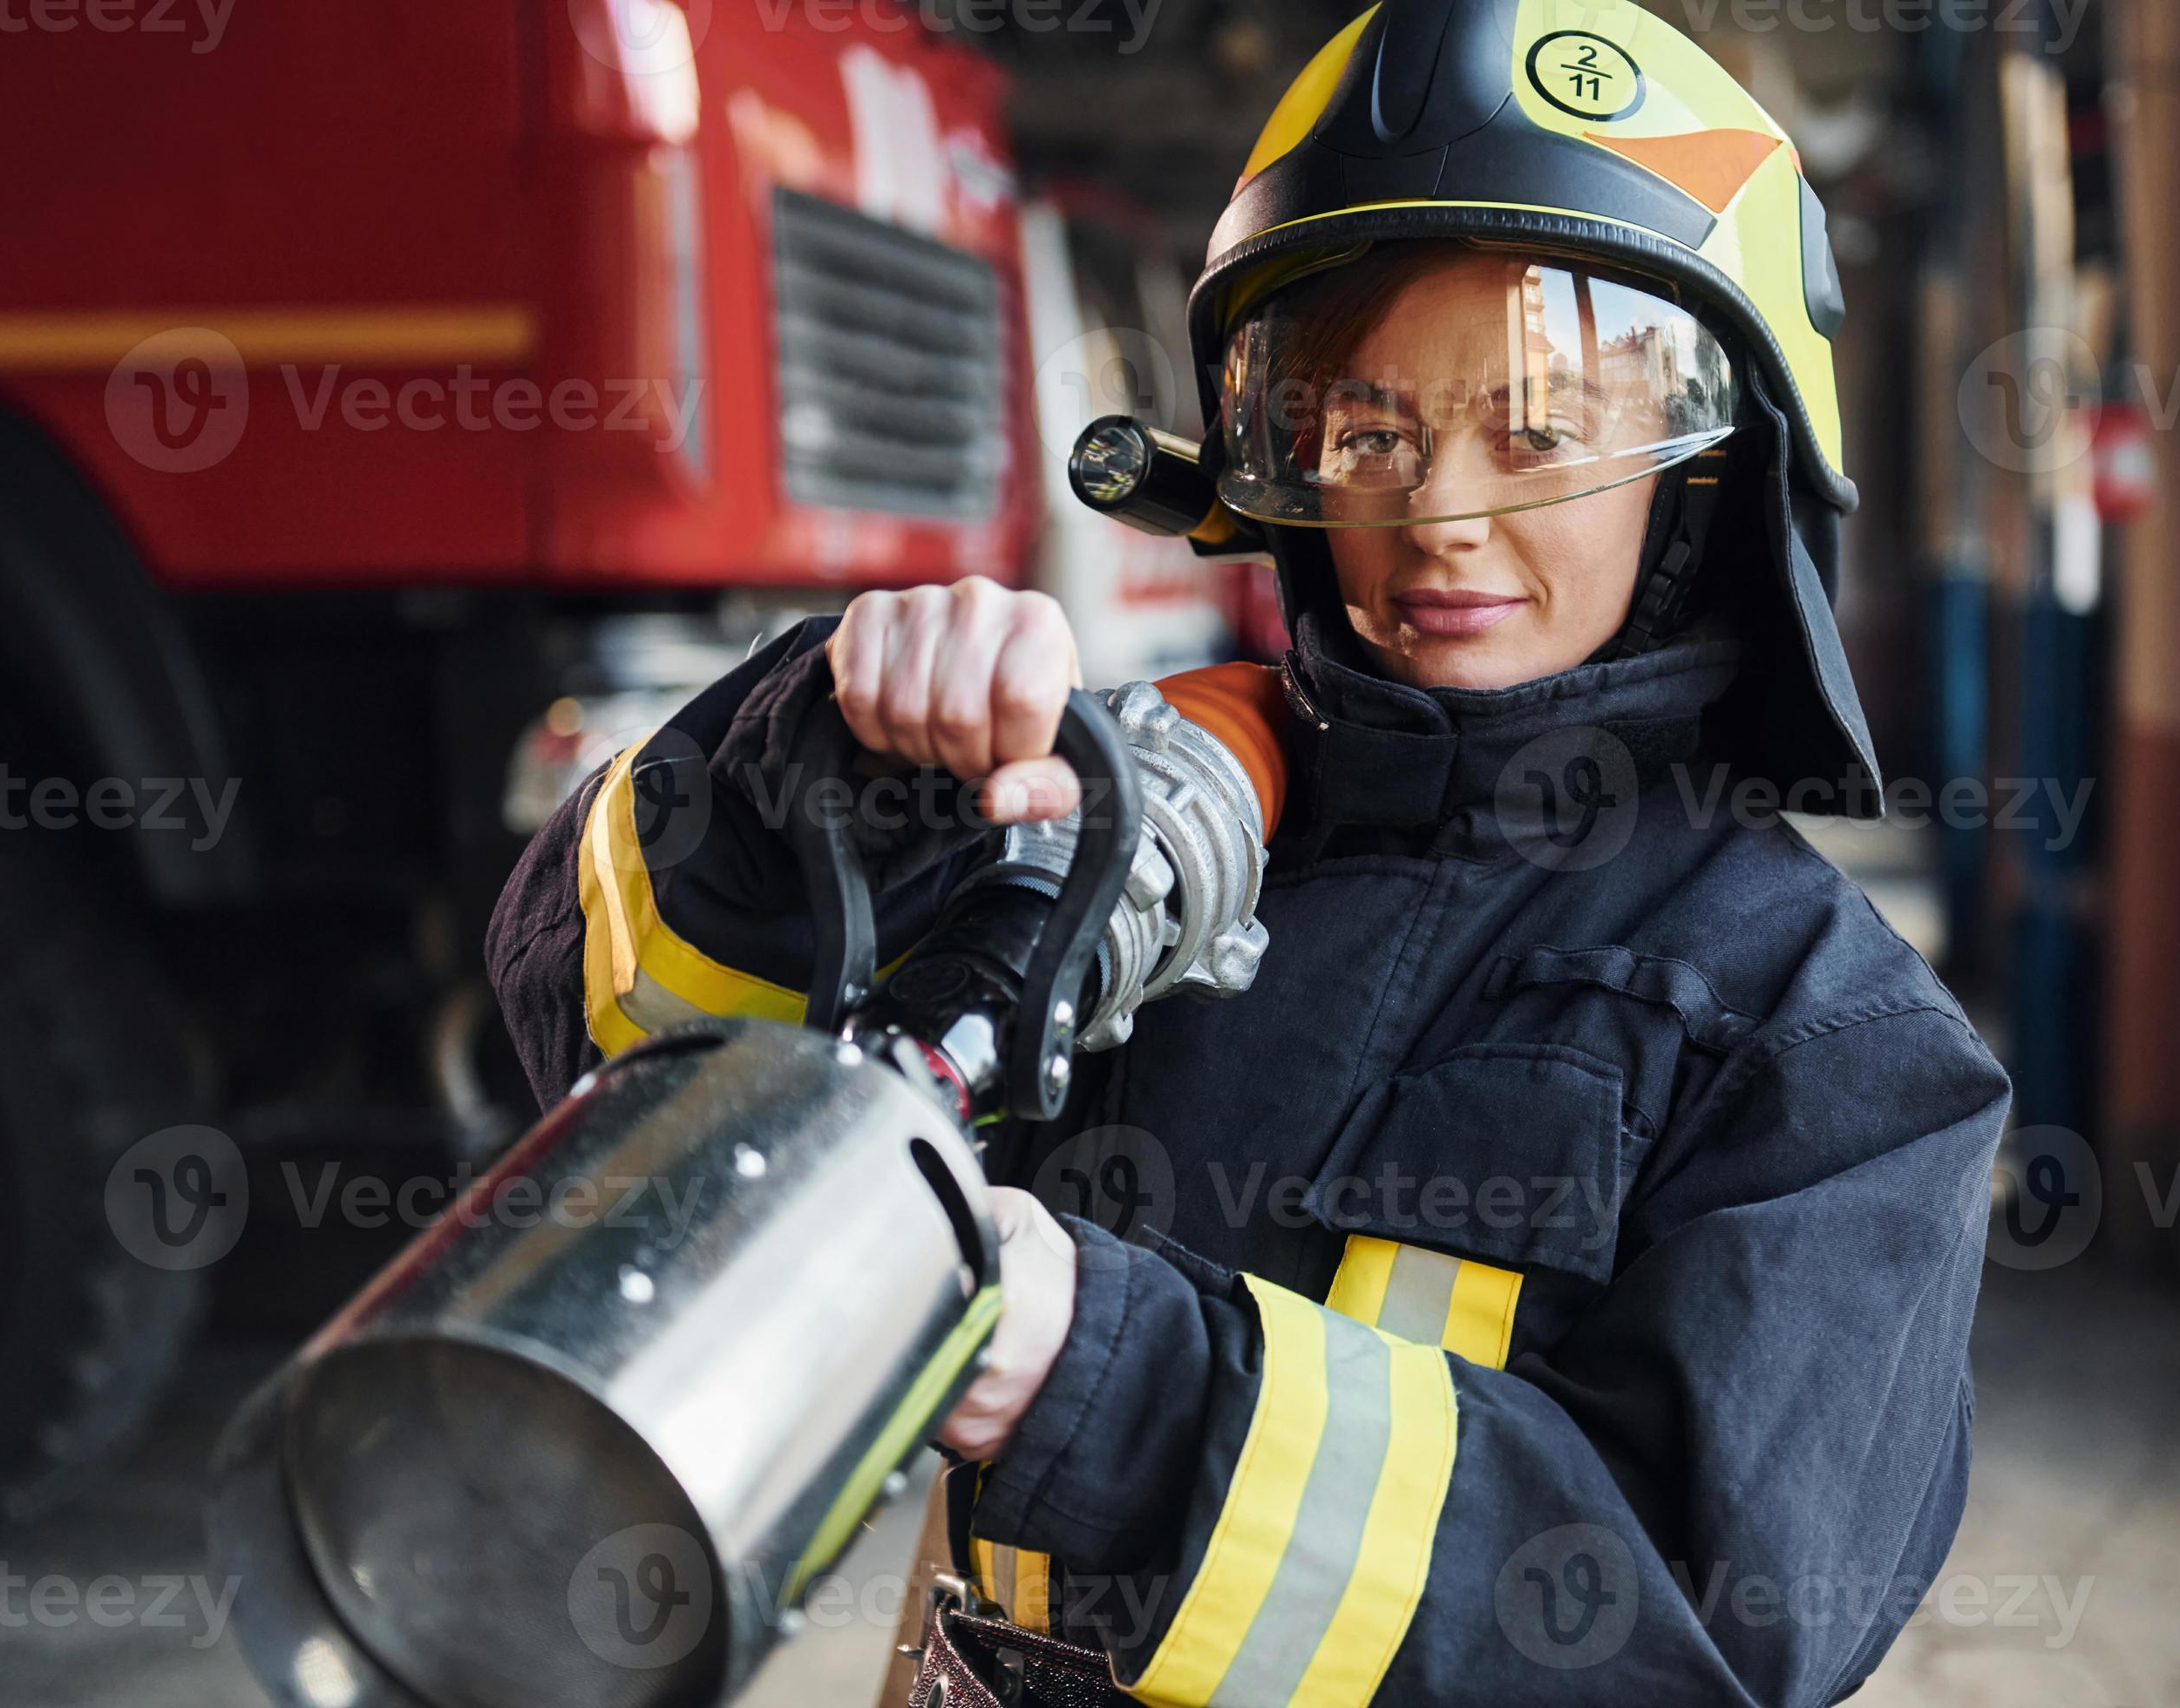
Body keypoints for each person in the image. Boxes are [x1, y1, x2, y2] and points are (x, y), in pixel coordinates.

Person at [486, 3, 2009, 1702]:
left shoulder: (1832, 1046)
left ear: (1710, 478)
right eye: (1363, 432)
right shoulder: (1129, 827)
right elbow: (614, 1075)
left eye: (1542, 430)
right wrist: (822, 771)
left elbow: (1684, 1636)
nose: (1437, 515)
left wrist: (1100, 1378)